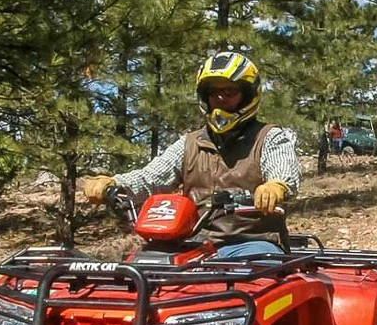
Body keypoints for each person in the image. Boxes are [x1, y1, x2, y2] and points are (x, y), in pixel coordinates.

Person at [79, 51, 301, 258]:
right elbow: (152, 178)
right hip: (193, 240)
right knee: (143, 267)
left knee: (257, 277)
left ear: (248, 95)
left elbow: (283, 169)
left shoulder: (269, 137)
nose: (221, 99)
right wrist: (114, 184)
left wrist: (277, 186)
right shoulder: (190, 143)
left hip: (250, 240)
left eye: (229, 92)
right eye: (214, 93)